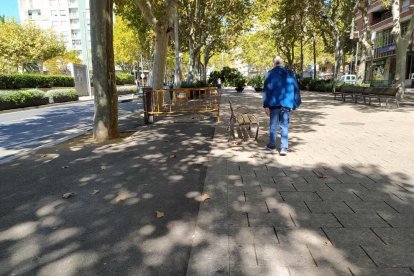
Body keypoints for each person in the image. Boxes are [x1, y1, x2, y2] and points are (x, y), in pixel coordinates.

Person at [262, 56, 301, 156]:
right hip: (286, 103)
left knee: (273, 125)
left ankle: (271, 145)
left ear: (274, 63)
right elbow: (296, 88)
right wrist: (296, 102)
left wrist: (266, 105)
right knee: (284, 126)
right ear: (282, 63)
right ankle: (284, 148)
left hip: (274, 103)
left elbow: (266, 90)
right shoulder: (290, 73)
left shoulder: (270, 74)